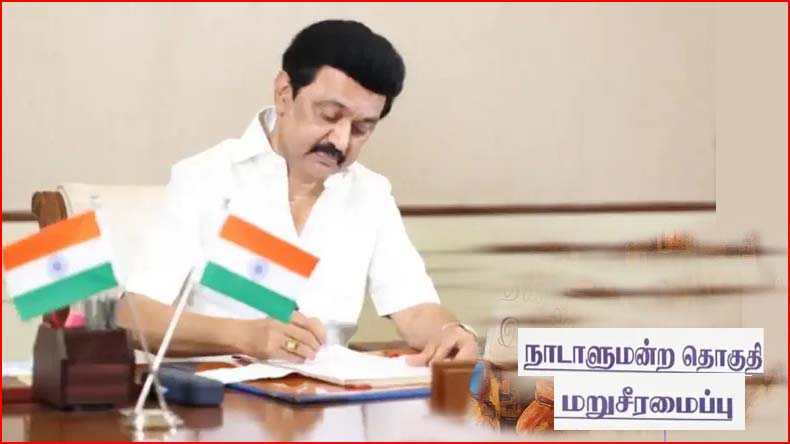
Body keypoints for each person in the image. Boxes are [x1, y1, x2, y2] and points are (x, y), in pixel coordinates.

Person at [118, 19, 477, 367]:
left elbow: (415, 308)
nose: (340, 141)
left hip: (328, 397)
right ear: (284, 94)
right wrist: (244, 337)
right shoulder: (204, 178)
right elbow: (132, 316)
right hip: (221, 397)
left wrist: (449, 332)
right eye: (329, 115)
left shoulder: (371, 194)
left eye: (361, 129)